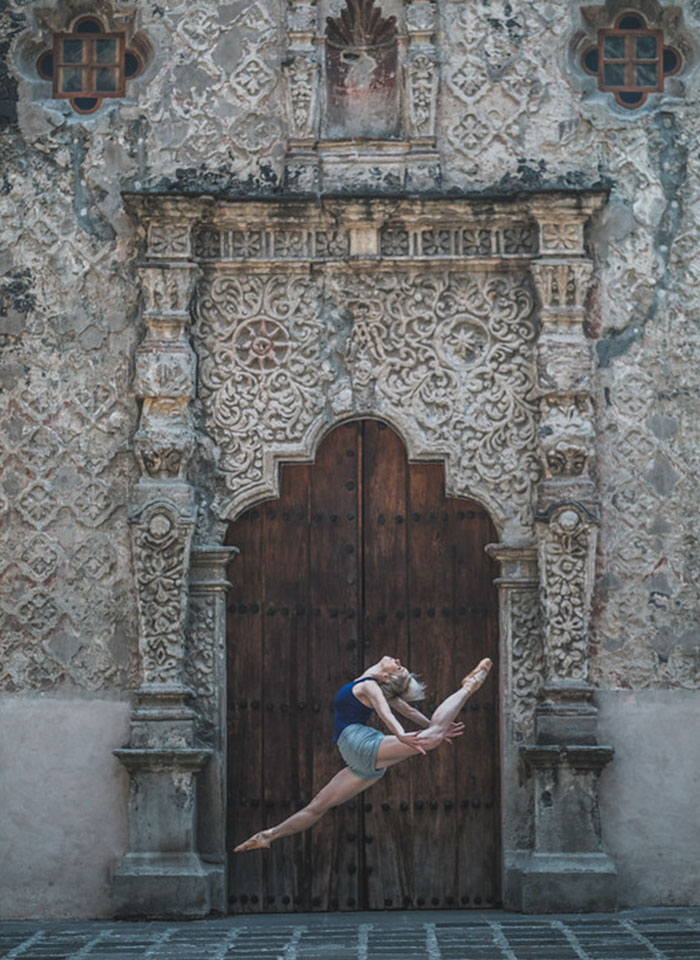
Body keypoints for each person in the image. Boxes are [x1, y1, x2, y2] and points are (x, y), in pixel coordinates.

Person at [234, 655, 493, 852]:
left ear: (386, 677)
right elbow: (405, 712)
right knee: (316, 807)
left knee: (432, 738)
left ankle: (468, 686)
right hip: (359, 755)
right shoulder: (371, 684)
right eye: (399, 665)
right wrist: (434, 730)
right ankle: (268, 836)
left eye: (399, 667)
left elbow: (391, 712)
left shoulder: (370, 685)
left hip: (359, 745)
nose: (397, 660)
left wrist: (409, 733)